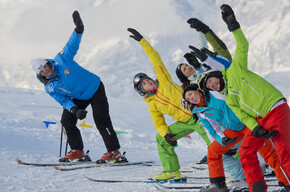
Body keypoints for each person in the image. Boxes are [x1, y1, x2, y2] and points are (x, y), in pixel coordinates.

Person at [197, 4, 290, 192]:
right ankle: (257, 189)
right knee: (246, 152)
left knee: (283, 151)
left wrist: (233, 25)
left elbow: (243, 46)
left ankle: (288, 185)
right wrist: (256, 129)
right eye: (209, 87)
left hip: (275, 108)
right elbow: (244, 117)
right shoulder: (229, 99)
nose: (212, 85)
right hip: (258, 121)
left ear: (215, 74)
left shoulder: (235, 69)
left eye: (211, 81)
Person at [30, 11, 122, 163]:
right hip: (79, 97)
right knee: (67, 119)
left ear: (47, 63)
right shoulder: (50, 87)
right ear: (40, 74)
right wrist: (74, 110)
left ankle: (114, 152)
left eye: (44, 66)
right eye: (41, 71)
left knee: (101, 119)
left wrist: (78, 29)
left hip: (94, 87)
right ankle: (77, 151)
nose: (45, 70)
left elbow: (71, 45)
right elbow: (64, 100)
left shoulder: (61, 59)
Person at [127, 28, 211, 181]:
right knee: (160, 139)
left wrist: (142, 41)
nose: (147, 81)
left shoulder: (164, 80)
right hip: (184, 122)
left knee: (215, 141)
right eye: (143, 84)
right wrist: (166, 135)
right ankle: (172, 171)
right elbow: (159, 123)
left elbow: (155, 58)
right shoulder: (152, 104)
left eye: (146, 79)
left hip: (199, 115)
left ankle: (238, 167)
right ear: (142, 91)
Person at [183, 84, 290, 192]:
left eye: (190, 94)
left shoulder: (213, 93)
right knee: (213, 150)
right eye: (188, 99)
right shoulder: (201, 112)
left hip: (250, 124)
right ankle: (218, 185)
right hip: (234, 130)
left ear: (197, 89)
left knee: (269, 154)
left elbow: (215, 78)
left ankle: (285, 183)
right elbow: (212, 130)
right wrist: (222, 139)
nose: (191, 98)